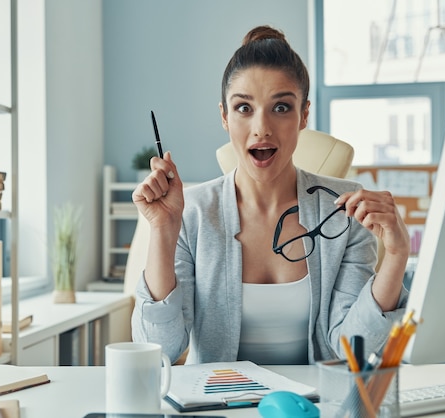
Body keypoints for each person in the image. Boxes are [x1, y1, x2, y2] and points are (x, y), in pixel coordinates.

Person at [131, 25, 410, 365]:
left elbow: (352, 347)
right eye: (244, 109)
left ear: (304, 115)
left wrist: (396, 256)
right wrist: (163, 230)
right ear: (224, 116)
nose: (261, 128)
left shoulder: (344, 210)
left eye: (280, 108)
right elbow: (159, 348)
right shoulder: (193, 212)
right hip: (217, 409)